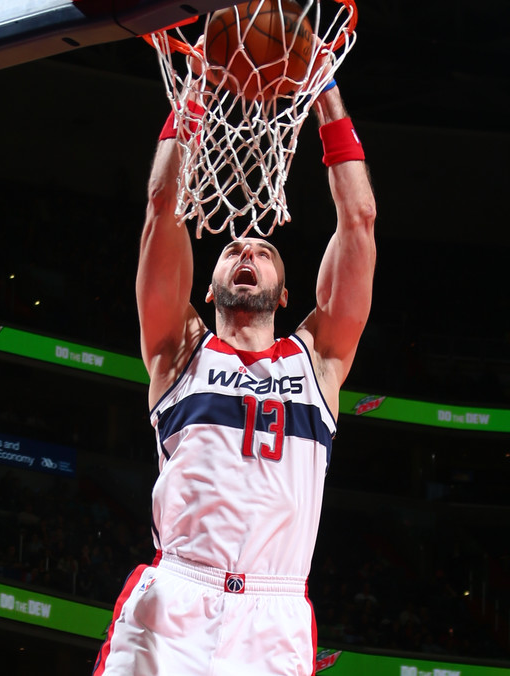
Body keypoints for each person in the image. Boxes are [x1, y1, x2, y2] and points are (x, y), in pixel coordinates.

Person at [94, 80, 376, 676]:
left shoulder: (320, 360)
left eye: (264, 252)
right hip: (176, 597)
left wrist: (326, 100)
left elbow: (360, 220)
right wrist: (187, 104)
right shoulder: (178, 350)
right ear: (207, 283)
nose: (246, 252)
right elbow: (160, 208)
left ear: (287, 292)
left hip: (273, 614)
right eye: (232, 250)